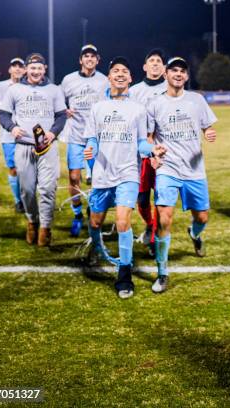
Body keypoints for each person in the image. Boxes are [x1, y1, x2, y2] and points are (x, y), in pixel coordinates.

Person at [83, 56, 165, 299]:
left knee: (122, 222)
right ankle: (97, 247)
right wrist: (91, 148)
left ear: (130, 78)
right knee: (96, 222)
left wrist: (153, 150)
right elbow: (92, 138)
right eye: (115, 71)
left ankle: (125, 274)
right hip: (102, 174)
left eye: (124, 71)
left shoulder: (138, 109)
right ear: (108, 77)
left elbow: (142, 142)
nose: (120, 74)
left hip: (128, 173)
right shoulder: (97, 108)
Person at [147, 57, 218, 293]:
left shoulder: (196, 100)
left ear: (187, 76)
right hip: (168, 169)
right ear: (166, 74)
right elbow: (149, 137)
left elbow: (208, 126)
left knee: (202, 218)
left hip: (194, 170)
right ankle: (162, 273)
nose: (178, 74)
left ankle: (194, 234)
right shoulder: (155, 103)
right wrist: (152, 155)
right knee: (164, 219)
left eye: (182, 71)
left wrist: (209, 133)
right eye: (174, 70)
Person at [0, 53, 67, 247]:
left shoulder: (54, 90)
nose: (36, 71)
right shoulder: (15, 89)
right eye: (32, 68)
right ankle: (32, 222)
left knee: (47, 188)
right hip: (24, 146)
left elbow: (61, 116)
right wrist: (12, 127)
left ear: (45, 69)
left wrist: (52, 133)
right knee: (26, 190)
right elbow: (3, 114)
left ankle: (45, 227)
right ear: (26, 69)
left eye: (39, 68)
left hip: (47, 147)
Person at [60, 44, 109, 237]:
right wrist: (65, 109)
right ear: (80, 60)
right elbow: (58, 100)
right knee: (73, 178)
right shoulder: (68, 80)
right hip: (75, 135)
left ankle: (93, 211)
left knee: (98, 180)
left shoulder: (104, 80)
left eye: (93, 56)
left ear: (98, 60)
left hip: (96, 138)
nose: (89, 59)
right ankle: (77, 214)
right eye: (86, 56)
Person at [130, 49, 168, 253]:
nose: (155, 63)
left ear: (164, 68)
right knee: (143, 198)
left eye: (159, 61)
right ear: (145, 67)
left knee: (161, 197)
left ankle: (154, 239)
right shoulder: (135, 91)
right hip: (142, 153)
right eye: (151, 61)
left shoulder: (171, 88)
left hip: (165, 153)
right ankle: (150, 225)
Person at [0, 57, 26, 213]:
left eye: (20, 66)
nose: (17, 69)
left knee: (27, 169)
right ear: (9, 69)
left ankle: (27, 198)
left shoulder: (28, 86)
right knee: (13, 169)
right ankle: (18, 201)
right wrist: (10, 102)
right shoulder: (1, 86)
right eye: (14, 66)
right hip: (7, 135)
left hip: (26, 135)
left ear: (25, 70)